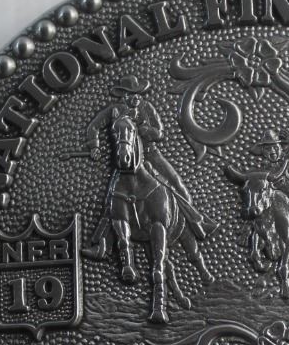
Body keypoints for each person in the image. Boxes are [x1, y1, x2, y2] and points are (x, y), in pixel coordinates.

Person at [85, 76, 210, 257]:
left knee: (176, 181)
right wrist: (94, 146)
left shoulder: (146, 108)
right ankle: (103, 245)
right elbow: (94, 127)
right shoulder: (114, 111)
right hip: (126, 161)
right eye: (131, 94)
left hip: (150, 154)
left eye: (138, 94)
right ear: (123, 95)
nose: (136, 97)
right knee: (111, 200)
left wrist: (145, 130)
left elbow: (160, 133)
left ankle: (194, 220)